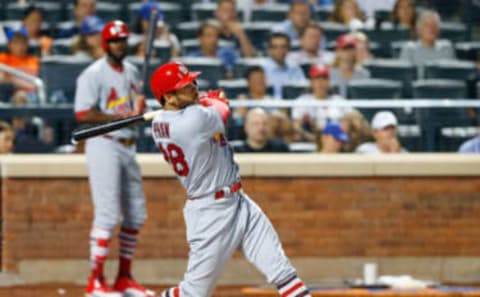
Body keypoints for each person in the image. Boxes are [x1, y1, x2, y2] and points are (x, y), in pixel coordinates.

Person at [149, 61, 309, 297]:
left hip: (239, 201)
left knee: (282, 271)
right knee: (193, 293)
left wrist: (200, 101)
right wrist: (212, 100)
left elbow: (197, 108)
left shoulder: (158, 122)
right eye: (185, 85)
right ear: (170, 98)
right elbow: (222, 109)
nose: (193, 86)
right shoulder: (194, 120)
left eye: (193, 81)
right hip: (210, 212)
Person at [74, 20, 153, 297]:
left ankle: (124, 278)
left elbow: (133, 113)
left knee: (135, 213)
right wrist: (120, 117)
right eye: (115, 40)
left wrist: (140, 110)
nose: (119, 45)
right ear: (106, 43)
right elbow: (83, 114)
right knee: (107, 214)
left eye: (123, 40)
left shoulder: (132, 72)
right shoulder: (92, 74)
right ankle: (95, 280)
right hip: (104, 144)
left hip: (129, 145)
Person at [292, 64, 351, 142]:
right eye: (317, 78)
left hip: (336, 140)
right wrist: (312, 137)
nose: (320, 82)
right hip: (310, 138)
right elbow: (296, 126)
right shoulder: (302, 101)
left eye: (324, 78)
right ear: (311, 82)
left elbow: (352, 119)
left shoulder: (339, 101)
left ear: (329, 81)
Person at [399, 9, 455, 78]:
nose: (431, 28)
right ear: (419, 29)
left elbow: (451, 76)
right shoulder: (409, 49)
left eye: (434, 25)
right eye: (427, 25)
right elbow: (405, 77)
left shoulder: (446, 48)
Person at [0, 29, 40, 101]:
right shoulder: (2, 58)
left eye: (23, 43)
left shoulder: (34, 60)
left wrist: (11, 79)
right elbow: (2, 79)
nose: (20, 46)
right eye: (16, 43)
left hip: (32, 96)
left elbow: (37, 85)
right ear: (9, 45)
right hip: (7, 94)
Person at [263, 32, 306, 99]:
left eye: (283, 47)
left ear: (288, 49)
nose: (280, 50)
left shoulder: (295, 69)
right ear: (269, 50)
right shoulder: (261, 69)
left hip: (291, 105)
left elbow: (302, 90)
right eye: (275, 47)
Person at [330, 33, 370, 98]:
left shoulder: (363, 74)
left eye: (352, 49)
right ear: (337, 51)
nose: (348, 52)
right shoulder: (329, 74)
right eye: (345, 49)